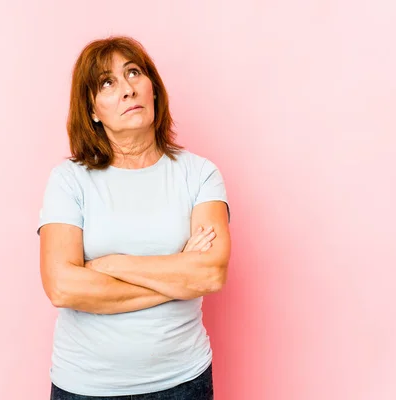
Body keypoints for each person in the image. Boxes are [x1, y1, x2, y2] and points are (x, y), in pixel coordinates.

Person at [38, 35, 231, 400]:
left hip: (182, 383)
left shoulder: (200, 175)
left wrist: (109, 264)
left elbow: (209, 273)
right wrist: (177, 274)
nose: (127, 89)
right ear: (92, 110)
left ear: (153, 90)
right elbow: (63, 287)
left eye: (133, 73)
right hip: (85, 387)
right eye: (107, 83)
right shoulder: (69, 180)